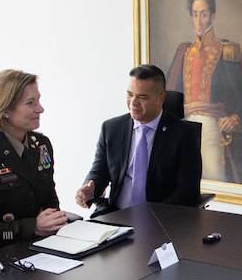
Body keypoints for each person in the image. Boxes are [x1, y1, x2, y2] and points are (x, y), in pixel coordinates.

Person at [0, 69, 68, 248]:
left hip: (40, 246)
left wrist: (53, 222)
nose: (40, 109)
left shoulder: (41, 145)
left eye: (38, 100)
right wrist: (34, 227)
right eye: (30, 103)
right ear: (5, 109)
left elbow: (50, 203)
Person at [75, 64, 203, 216]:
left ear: (161, 98)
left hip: (160, 219)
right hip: (115, 215)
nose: (133, 102)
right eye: (130, 94)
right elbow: (99, 172)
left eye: (142, 97)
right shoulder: (111, 128)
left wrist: (152, 216)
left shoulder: (183, 134)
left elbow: (187, 190)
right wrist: (89, 189)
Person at [167, 0, 242, 185]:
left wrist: (234, 119)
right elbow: (170, 96)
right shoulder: (183, 52)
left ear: (213, 16)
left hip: (211, 125)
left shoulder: (226, 51)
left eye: (203, 14)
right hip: (184, 125)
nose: (199, 20)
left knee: (213, 178)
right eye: (195, 14)